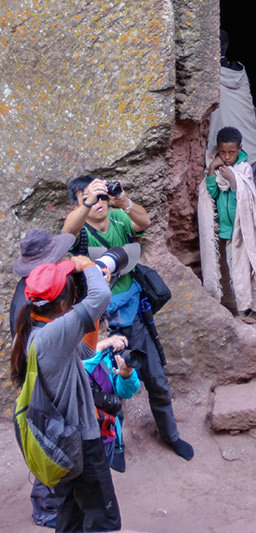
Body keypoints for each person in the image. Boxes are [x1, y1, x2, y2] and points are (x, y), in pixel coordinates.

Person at [63, 175, 194, 461]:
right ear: (78, 204)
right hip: (102, 324)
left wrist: (123, 199)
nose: (99, 203)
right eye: (88, 198)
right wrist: (85, 206)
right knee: (109, 390)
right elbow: (66, 234)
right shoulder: (80, 232)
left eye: (100, 196)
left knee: (157, 379)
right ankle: (115, 446)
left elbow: (143, 222)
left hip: (135, 315)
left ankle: (170, 435)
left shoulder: (119, 218)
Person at [10, 257, 121, 532]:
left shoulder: (32, 328)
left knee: (69, 515)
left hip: (58, 440)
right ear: (63, 303)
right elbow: (102, 295)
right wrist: (89, 266)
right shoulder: (53, 335)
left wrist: (89, 314)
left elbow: (86, 351)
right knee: (103, 521)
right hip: (80, 441)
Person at [10, 229, 77, 529]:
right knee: (49, 442)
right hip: (43, 383)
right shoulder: (32, 300)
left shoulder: (30, 292)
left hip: (38, 379)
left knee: (49, 439)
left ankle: (53, 500)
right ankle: (46, 507)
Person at [198, 126, 256, 324]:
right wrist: (212, 169)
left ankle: (252, 308)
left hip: (244, 231)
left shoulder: (244, 168)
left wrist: (233, 179)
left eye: (231, 152)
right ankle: (242, 305)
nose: (227, 157)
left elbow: (247, 196)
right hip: (227, 230)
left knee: (248, 269)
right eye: (223, 152)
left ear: (240, 149)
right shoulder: (217, 169)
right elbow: (211, 194)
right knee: (234, 270)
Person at [208, 30, 256, 203]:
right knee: (255, 208)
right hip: (254, 151)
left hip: (233, 156)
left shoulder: (210, 78)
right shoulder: (240, 71)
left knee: (233, 210)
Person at [84, 331, 141, 468]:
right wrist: (97, 350)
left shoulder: (106, 359)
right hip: (77, 438)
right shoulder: (65, 352)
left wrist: (127, 376)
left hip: (104, 435)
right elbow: (77, 378)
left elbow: (126, 392)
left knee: (100, 482)